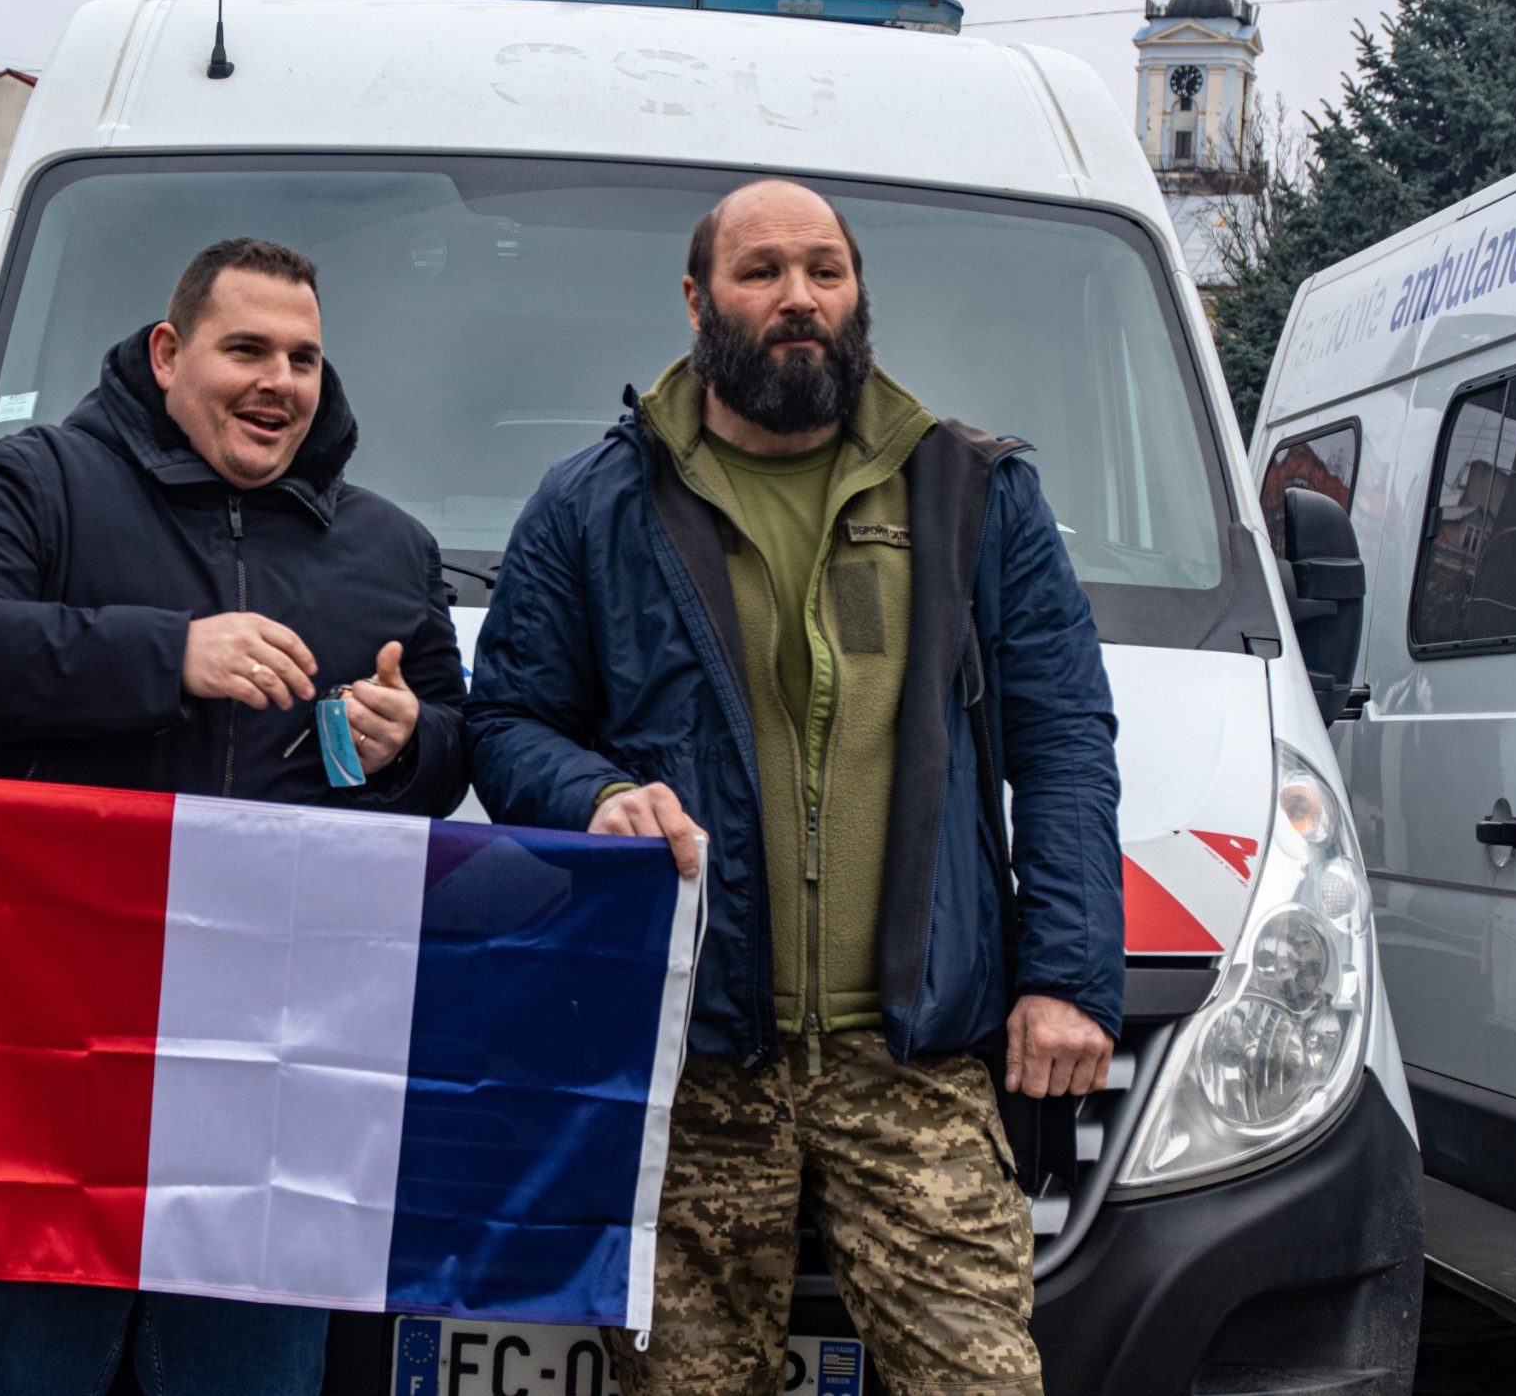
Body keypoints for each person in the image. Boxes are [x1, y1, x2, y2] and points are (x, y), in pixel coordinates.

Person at [465, 179, 1123, 1396]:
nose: (798, 297)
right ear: (697, 299)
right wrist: (592, 793)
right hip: (689, 1061)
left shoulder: (972, 491)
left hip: (914, 1060)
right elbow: (505, 719)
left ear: (858, 292)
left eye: (824, 270)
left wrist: (1067, 975)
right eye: (760, 271)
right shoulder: (593, 503)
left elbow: (1064, 740)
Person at [0, 235, 470, 1396]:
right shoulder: (36, 480)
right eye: (245, 349)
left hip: (270, 1081)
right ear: (167, 353)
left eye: (302, 358)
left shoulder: (390, 546)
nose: (278, 382)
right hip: (48, 1062)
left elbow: (451, 750)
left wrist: (404, 742)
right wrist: (171, 655)